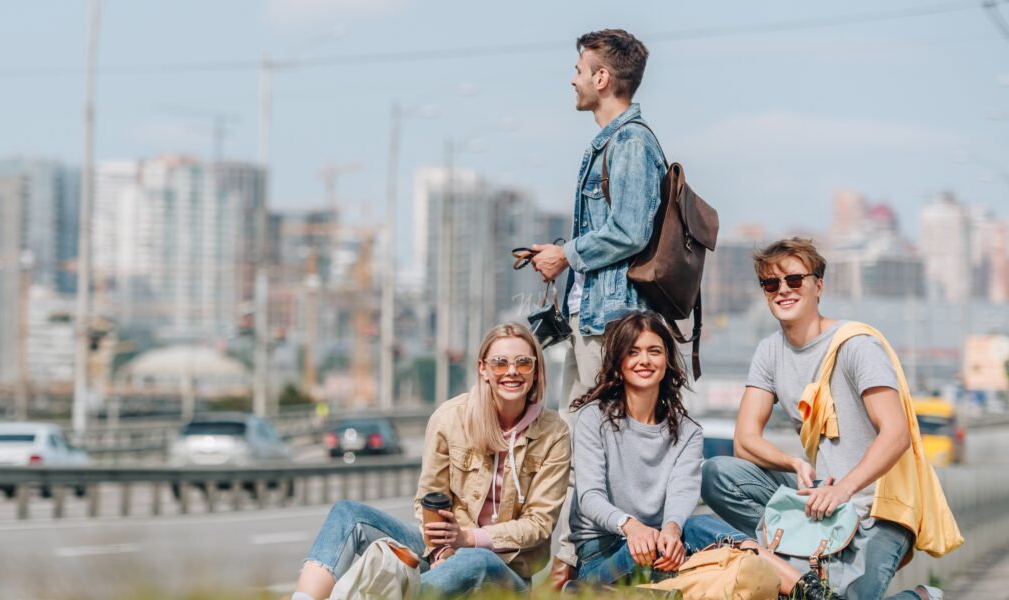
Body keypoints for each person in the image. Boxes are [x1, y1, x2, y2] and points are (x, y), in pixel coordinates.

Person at [701, 238, 954, 600]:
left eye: (794, 280)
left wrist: (843, 488)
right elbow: (744, 440)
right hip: (821, 498)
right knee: (716, 473)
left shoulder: (856, 345)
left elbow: (896, 434)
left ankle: (920, 598)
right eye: (771, 284)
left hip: (879, 510)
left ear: (818, 285)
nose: (783, 291)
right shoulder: (769, 351)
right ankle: (788, 557)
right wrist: (792, 462)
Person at [291, 322, 571, 599]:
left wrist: (468, 539)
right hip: (442, 553)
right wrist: (441, 550)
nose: (511, 371)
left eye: (523, 363)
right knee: (348, 514)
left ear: (536, 371)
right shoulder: (450, 418)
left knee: (475, 559)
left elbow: (539, 524)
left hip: (508, 572)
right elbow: (429, 499)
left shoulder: (553, 432)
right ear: (483, 369)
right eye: (500, 363)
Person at [528, 28, 666, 578]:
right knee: (574, 438)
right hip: (593, 320)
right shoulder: (610, 142)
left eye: (581, 70)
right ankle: (568, 561)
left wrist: (566, 254)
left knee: (590, 447)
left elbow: (630, 229)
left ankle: (575, 565)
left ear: (602, 78)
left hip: (612, 324)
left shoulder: (631, 143)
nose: (574, 79)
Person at [568, 311, 809, 595]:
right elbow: (589, 496)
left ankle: (808, 590)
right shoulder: (593, 419)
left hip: (664, 548)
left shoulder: (687, 431)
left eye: (654, 351)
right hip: (605, 553)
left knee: (701, 529)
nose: (644, 360)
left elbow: (682, 493)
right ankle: (597, 589)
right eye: (633, 352)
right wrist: (631, 527)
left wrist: (671, 530)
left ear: (667, 361)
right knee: (689, 533)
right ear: (619, 365)